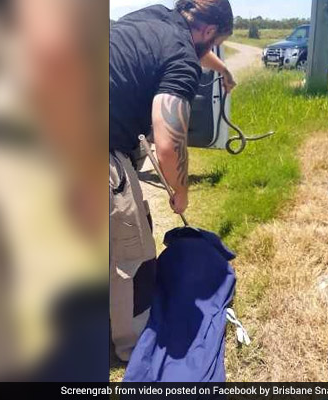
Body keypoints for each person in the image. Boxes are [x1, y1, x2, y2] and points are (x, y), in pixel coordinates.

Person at [109, 0, 236, 362]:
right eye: (213, 45)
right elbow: (168, 144)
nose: (207, 53)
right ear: (208, 32)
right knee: (132, 257)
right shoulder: (182, 57)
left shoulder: (151, 18)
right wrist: (181, 192)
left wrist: (223, 69)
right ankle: (131, 347)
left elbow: (188, 50)